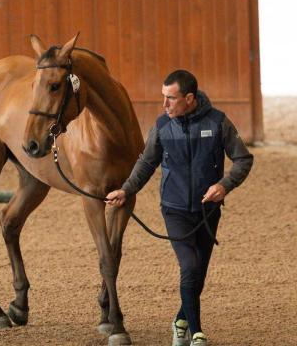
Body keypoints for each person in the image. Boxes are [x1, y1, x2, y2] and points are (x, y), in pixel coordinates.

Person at [105, 70, 253, 346]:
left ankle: (180, 320)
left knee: (199, 274)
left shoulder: (218, 122)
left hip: (209, 212)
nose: (164, 105)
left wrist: (224, 185)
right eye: (163, 98)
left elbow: (243, 160)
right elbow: (146, 164)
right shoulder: (162, 127)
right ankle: (196, 333)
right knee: (190, 266)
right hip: (174, 210)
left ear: (189, 98)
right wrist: (126, 190)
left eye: (170, 99)